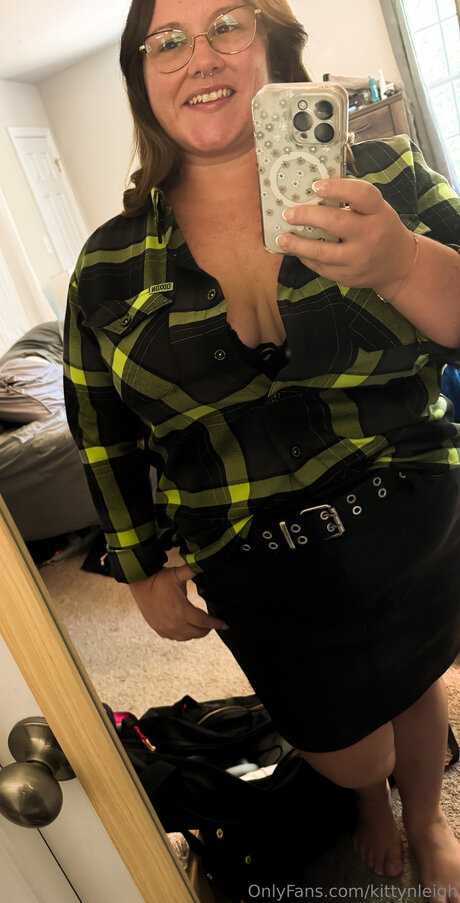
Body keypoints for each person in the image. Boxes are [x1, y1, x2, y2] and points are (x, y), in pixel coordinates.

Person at [63, 0, 460, 897]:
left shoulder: (384, 174)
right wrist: (139, 564)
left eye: (227, 24)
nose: (198, 54)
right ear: (141, 79)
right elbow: (100, 428)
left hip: (411, 521)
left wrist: (402, 262)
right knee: (347, 749)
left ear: (272, 41)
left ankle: (426, 818)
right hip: (258, 567)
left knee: (416, 679)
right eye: (166, 41)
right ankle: (369, 798)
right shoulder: (108, 265)